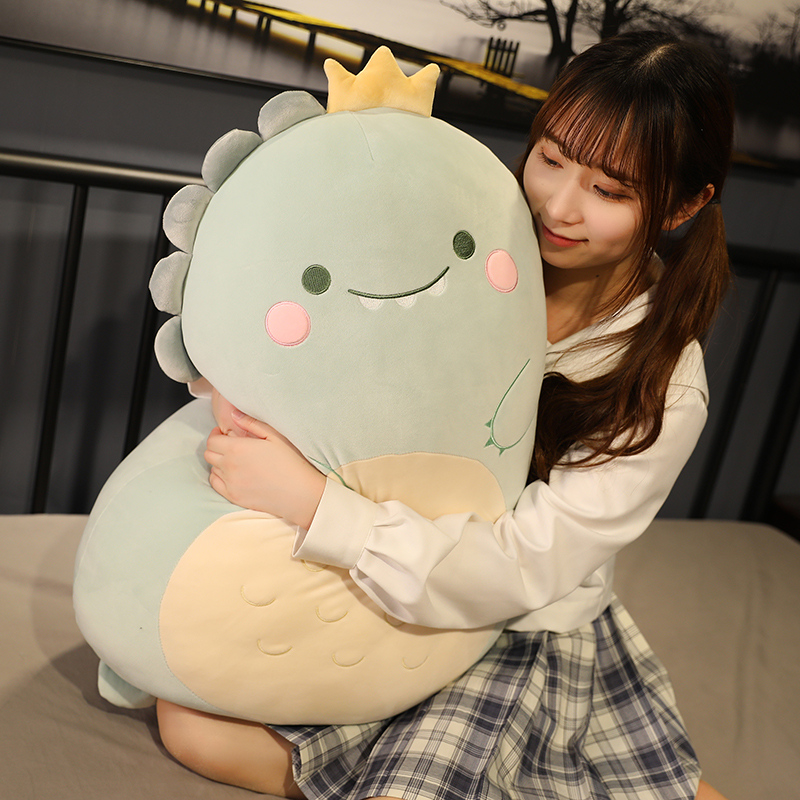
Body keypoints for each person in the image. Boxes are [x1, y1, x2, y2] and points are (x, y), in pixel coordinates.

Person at [157, 30, 734, 800]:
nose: (559, 206)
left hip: (507, 614)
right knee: (186, 717)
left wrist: (316, 505)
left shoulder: (662, 382)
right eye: (552, 158)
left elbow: (526, 567)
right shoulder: (466, 233)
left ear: (684, 206)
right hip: (377, 557)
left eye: (609, 191)